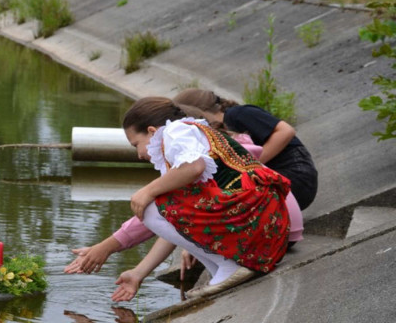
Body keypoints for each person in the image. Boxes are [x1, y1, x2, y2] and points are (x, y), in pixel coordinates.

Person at [72, 97, 291, 301]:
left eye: (136, 144)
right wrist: (138, 273)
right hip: (264, 225)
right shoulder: (191, 135)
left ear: (151, 131)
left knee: (152, 204)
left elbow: (195, 167)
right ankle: (221, 270)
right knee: (162, 206)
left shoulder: (175, 132)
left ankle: (229, 266)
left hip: (255, 217)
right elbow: (172, 224)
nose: (139, 155)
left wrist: (147, 191)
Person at [173, 88, 318, 211]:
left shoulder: (237, 114)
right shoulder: (217, 133)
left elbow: (286, 131)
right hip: (282, 184)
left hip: (297, 177)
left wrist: (251, 165)